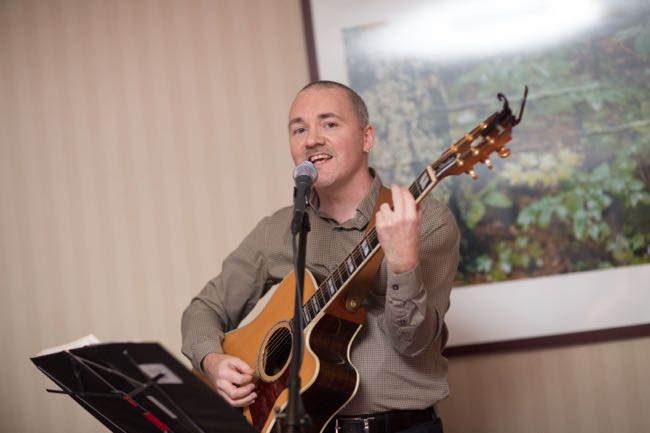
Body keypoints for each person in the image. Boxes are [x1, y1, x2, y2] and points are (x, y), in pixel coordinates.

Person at [181, 80, 460, 433]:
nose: (311, 138)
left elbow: (414, 344)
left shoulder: (424, 220)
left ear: (366, 138)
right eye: (299, 129)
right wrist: (212, 360)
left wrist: (403, 264)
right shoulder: (278, 229)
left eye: (329, 123)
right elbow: (204, 309)